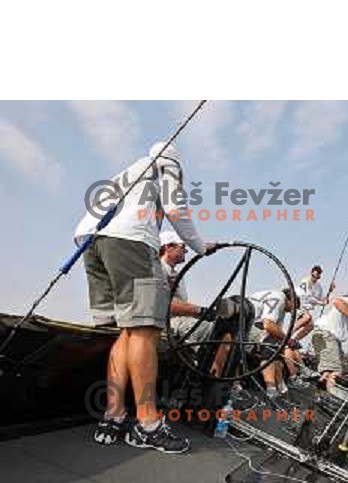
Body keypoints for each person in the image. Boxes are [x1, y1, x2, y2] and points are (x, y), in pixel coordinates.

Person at [75, 141, 214, 453]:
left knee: (126, 331)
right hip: (130, 241)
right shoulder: (168, 167)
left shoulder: (130, 171)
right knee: (145, 330)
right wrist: (202, 247)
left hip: (90, 240)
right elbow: (176, 210)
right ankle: (147, 424)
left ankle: (113, 416)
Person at [159, 230, 234, 378]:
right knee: (225, 334)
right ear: (169, 247)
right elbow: (164, 302)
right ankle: (213, 383)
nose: (186, 250)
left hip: (176, 320)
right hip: (168, 322)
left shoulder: (173, 273)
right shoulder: (159, 269)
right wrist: (203, 312)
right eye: (182, 246)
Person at [248, 288, 299, 399]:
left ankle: (281, 387)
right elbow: (268, 325)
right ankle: (271, 390)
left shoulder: (275, 300)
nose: (291, 311)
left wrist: (285, 342)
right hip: (247, 324)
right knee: (269, 347)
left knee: (277, 347)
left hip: (251, 322)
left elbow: (277, 333)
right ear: (292, 300)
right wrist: (288, 340)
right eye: (293, 308)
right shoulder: (280, 298)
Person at [291, 265, 331, 341]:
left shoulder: (319, 286)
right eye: (314, 276)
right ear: (311, 273)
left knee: (310, 326)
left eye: (317, 277)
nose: (315, 278)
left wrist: (330, 292)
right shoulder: (305, 281)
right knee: (307, 317)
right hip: (299, 305)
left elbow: (322, 299)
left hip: (307, 309)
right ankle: (287, 335)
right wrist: (320, 303)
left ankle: (294, 340)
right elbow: (306, 296)